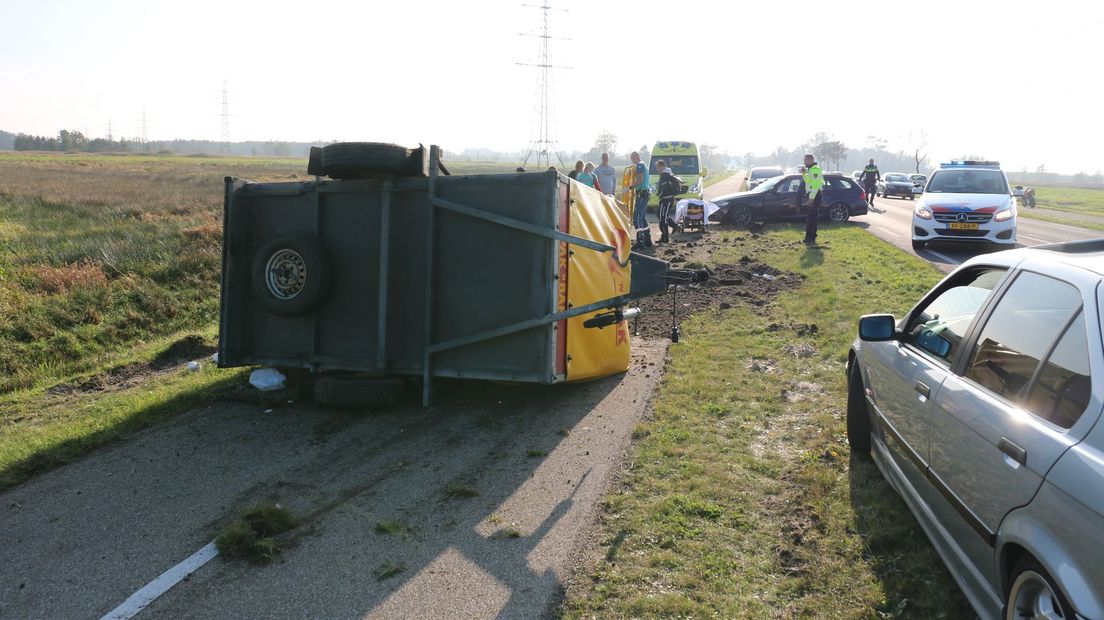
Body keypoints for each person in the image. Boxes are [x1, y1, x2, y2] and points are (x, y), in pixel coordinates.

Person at [655, 160, 683, 243]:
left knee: (663, 218)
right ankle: (675, 226)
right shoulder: (666, 174)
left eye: (657, 167)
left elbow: (664, 188)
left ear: (661, 166)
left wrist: (660, 194)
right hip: (666, 199)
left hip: (667, 199)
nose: (656, 169)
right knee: (660, 216)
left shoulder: (665, 175)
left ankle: (665, 238)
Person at [799, 153, 824, 245]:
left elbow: (816, 185)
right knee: (810, 218)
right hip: (812, 194)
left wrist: (811, 198)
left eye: (805, 160)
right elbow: (808, 181)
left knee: (812, 218)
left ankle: (812, 238)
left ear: (810, 160)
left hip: (815, 194)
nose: (804, 162)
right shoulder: (810, 170)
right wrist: (804, 173)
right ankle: (808, 237)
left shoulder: (815, 170)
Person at [629, 151, 651, 249]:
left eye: (632, 159)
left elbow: (639, 180)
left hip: (642, 193)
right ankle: (647, 239)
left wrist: (629, 187)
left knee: (636, 217)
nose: (632, 162)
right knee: (641, 217)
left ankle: (640, 241)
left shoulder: (640, 166)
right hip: (644, 192)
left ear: (636, 157)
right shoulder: (643, 165)